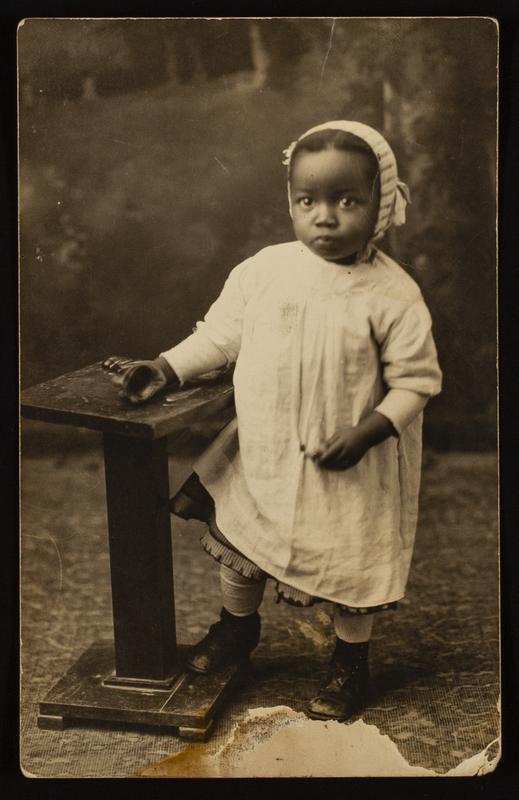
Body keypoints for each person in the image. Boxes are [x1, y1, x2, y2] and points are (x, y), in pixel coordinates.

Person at [103, 120, 442, 721]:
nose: (325, 217)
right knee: (244, 541)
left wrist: (369, 431)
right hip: (266, 448)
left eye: (347, 201)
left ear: (381, 204)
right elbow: (220, 337)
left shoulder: (392, 295)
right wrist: (167, 367)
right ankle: (238, 628)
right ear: (290, 201)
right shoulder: (264, 270)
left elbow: (416, 382)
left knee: (349, 561)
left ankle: (349, 660)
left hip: (349, 462)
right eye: (308, 201)